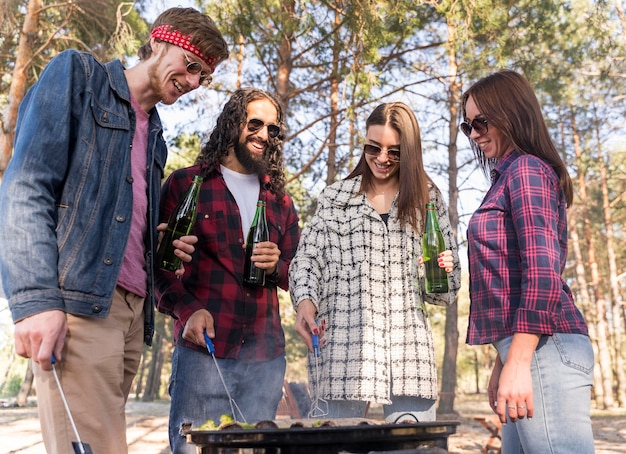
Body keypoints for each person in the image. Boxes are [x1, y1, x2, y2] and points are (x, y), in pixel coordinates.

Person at [0, 8, 229, 454]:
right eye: (193, 64)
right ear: (161, 42)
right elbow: (26, 184)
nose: (195, 81)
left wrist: (160, 244)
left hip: (130, 314)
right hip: (81, 308)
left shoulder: (156, 138)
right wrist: (34, 301)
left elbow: (116, 218)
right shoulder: (79, 78)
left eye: (205, 76)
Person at [288, 102, 461, 423]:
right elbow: (306, 260)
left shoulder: (428, 199)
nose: (382, 158)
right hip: (342, 356)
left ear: (409, 152)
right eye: (373, 147)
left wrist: (444, 270)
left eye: (394, 152)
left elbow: (445, 293)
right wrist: (305, 301)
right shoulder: (335, 199)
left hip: (409, 357)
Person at [156, 88, 301, 453]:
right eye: (255, 124)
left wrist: (276, 267)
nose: (264, 135)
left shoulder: (280, 201)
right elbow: (157, 268)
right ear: (234, 123)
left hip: (266, 359)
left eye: (273, 130)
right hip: (202, 354)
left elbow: (299, 275)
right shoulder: (186, 184)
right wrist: (188, 311)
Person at [461, 70, 595, 453]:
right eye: (467, 125)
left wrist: (519, 361)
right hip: (529, 351)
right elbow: (514, 278)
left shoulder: (527, 171)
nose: (474, 133)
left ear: (510, 113)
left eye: (481, 122)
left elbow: (541, 273)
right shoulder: (509, 176)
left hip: (544, 351)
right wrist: (502, 362)